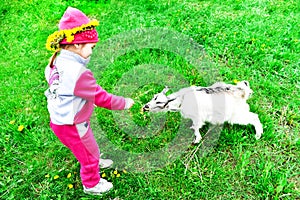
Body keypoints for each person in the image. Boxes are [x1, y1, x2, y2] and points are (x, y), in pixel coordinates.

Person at [44, 7, 134, 195]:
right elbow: (102, 98)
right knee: (89, 154)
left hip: (60, 120)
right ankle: (92, 184)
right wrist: (124, 103)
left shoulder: (57, 61)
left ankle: (91, 159)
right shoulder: (79, 74)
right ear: (77, 45)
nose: (92, 52)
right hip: (72, 123)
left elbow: (56, 81)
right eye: (91, 47)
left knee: (88, 148)